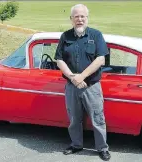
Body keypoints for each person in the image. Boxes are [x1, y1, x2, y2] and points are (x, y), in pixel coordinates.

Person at [53, 3, 111, 161]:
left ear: (87, 18)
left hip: (91, 86)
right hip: (72, 86)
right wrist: (73, 78)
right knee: (74, 119)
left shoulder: (96, 35)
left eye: (82, 16)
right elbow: (59, 60)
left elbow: (100, 59)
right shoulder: (65, 37)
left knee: (98, 119)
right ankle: (76, 144)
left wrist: (82, 77)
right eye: (76, 16)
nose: (79, 19)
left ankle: (102, 148)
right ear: (71, 19)